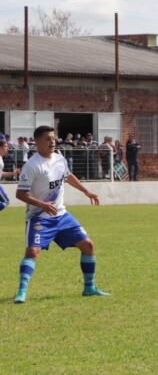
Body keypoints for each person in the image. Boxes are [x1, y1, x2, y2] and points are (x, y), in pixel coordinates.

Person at [13, 126, 108, 303]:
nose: (53, 142)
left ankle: (89, 288)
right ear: (38, 142)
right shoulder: (32, 166)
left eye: (54, 138)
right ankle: (21, 291)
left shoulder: (59, 158)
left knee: (88, 245)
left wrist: (86, 191)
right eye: (48, 139)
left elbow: (68, 176)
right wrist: (42, 204)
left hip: (62, 215)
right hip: (40, 217)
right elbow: (20, 194)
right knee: (32, 251)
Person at [0, 139, 21, 211]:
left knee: (6, 201)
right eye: (5, 146)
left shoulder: (1, 158)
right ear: (0, 147)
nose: (7, 148)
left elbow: (1, 173)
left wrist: (12, 173)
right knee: (5, 201)